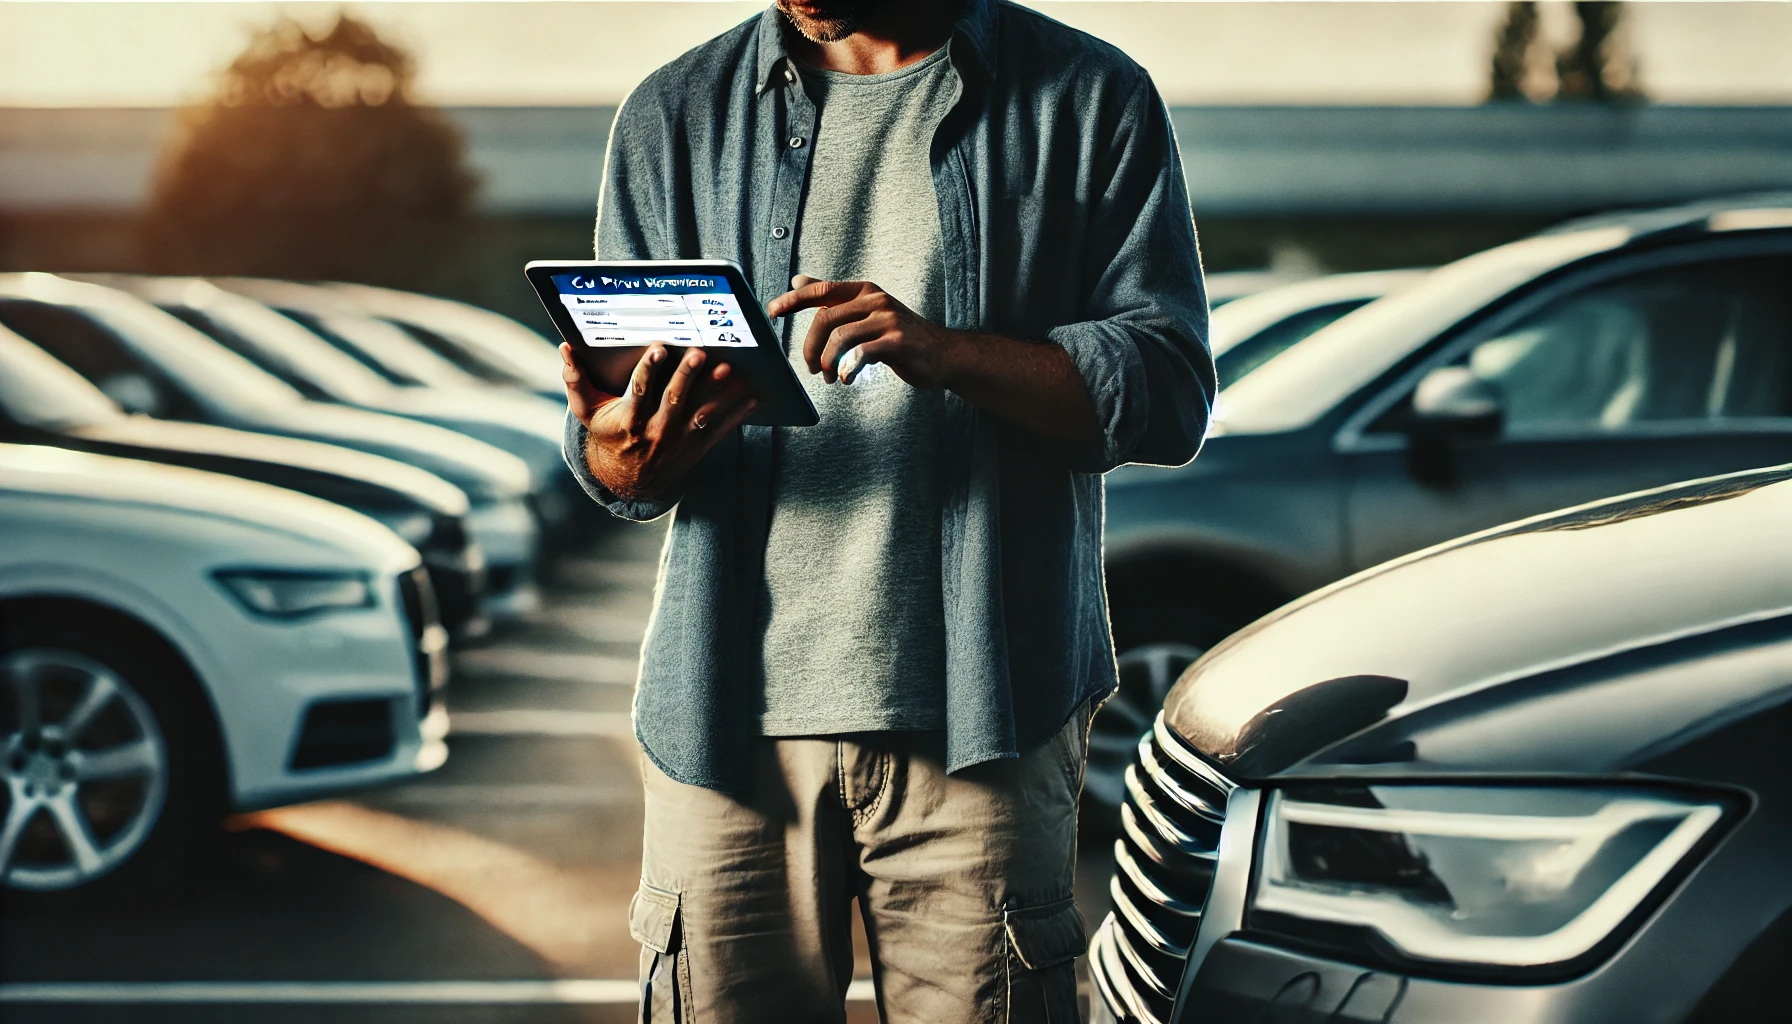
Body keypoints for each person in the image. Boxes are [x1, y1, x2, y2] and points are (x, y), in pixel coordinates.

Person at [558, 0, 1213, 1020]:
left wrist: (947, 351)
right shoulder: (673, 115)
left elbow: (1168, 390)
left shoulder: (1090, 98)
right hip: (724, 730)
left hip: (987, 724)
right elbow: (617, 453)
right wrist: (622, 453)